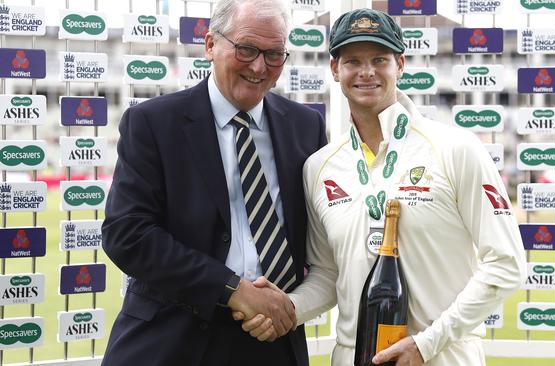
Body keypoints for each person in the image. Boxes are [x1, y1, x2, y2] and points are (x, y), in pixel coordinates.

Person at [239, 8, 526, 366]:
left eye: (380, 59)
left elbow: (507, 263)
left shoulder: (455, 148)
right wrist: (284, 310)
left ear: (400, 65)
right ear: (335, 70)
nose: (366, 72)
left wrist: (426, 344)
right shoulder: (320, 167)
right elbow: (328, 275)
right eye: (353, 61)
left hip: (440, 355)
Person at [101, 0, 327, 364]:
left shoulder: (306, 127)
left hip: (272, 341)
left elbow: (323, 246)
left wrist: (291, 306)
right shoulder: (153, 123)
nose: (259, 66)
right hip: (173, 338)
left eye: (274, 54)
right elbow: (127, 233)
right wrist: (231, 289)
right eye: (247, 49)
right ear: (210, 45)